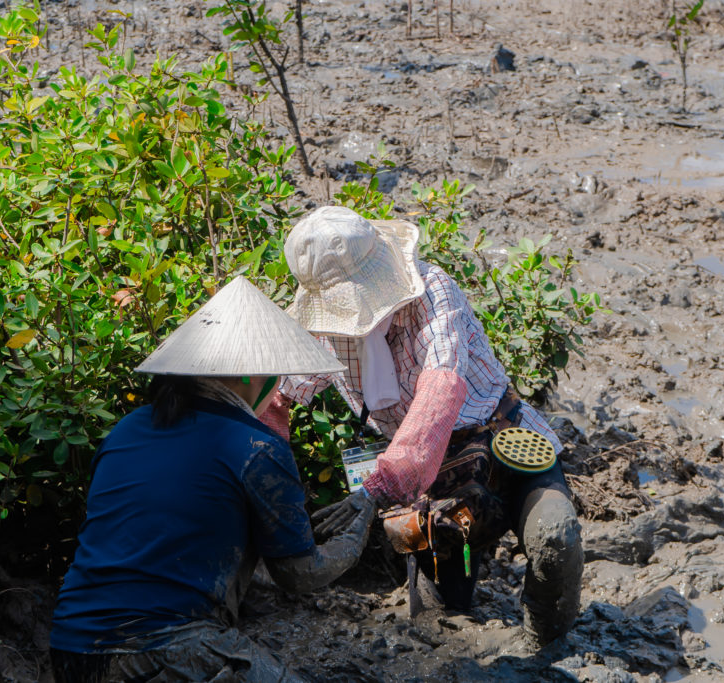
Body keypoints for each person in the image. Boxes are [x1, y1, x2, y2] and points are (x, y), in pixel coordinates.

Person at [260, 206, 583, 645]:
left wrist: (375, 491)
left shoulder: (432, 291)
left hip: (505, 444)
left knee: (555, 537)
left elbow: (441, 390)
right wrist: (270, 507)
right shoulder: (326, 330)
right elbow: (276, 401)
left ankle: (544, 645)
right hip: (434, 485)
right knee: (444, 616)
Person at [49, 276, 377, 682]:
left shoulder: (125, 429)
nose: (276, 384)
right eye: (272, 372)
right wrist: (356, 535)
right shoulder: (258, 448)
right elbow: (298, 575)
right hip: (163, 648)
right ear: (246, 374)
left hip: (69, 645)